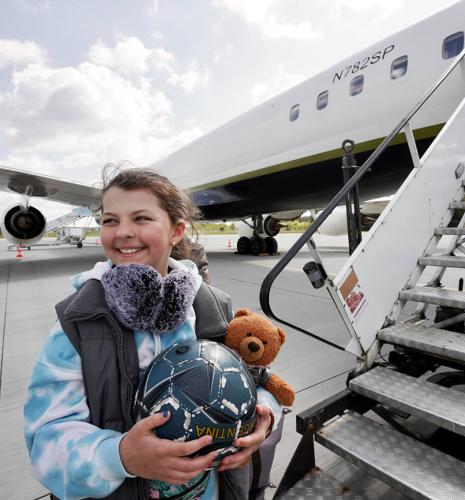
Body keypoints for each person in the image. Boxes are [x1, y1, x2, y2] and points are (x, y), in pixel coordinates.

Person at [24, 168, 281, 500]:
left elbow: (258, 381)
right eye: (110, 221)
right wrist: (120, 457)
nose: (122, 233)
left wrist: (262, 417)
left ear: (176, 231)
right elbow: (46, 441)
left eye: (141, 218)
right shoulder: (78, 323)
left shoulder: (211, 306)